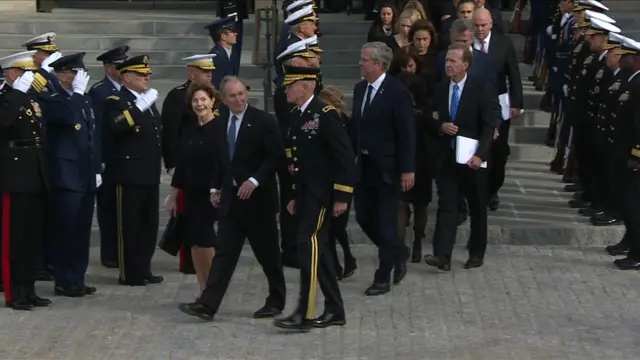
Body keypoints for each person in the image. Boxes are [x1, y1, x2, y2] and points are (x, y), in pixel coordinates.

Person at [178, 76, 286, 321]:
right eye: (232, 96)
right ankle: (208, 304)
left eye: (241, 93)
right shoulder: (221, 122)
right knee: (224, 254)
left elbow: (275, 157)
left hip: (259, 202)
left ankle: (276, 299)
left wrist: (254, 181)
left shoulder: (263, 121)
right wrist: (215, 189)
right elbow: (221, 160)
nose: (238, 99)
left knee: (268, 255)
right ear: (223, 100)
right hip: (232, 202)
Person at [274, 65, 355, 331]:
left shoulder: (325, 114)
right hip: (308, 193)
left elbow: (344, 158)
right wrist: (296, 193)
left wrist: (342, 196)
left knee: (307, 245)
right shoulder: (299, 114)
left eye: (290, 85)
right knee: (320, 253)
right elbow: (300, 161)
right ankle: (335, 308)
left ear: (306, 86)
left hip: (322, 194)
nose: (286, 89)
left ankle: (305, 313)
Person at [350, 42, 415, 296]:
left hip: (389, 168)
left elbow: (407, 133)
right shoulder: (359, 90)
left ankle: (383, 276)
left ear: (379, 64)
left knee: (387, 223)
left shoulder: (397, 92)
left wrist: (408, 169)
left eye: (364, 59)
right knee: (364, 217)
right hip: (364, 167)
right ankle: (398, 252)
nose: (360, 63)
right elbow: (356, 128)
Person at [424, 43, 494, 271]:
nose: (448, 65)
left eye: (453, 61)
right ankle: (442, 256)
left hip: (472, 158)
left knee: (477, 206)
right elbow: (428, 116)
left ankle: (477, 252)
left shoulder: (480, 88)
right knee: (447, 205)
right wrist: (440, 126)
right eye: (446, 61)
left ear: (465, 65)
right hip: (447, 157)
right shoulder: (440, 87)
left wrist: (480, 155)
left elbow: (488, 126)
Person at [39, 52, 100, 298]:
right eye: (74, 73)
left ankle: (77, 278)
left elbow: (92, 136)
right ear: (63, 75)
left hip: (85, 173)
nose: (78, 78)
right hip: (65, 174)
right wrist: (75, 95)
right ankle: (63, 280)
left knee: (82, 230)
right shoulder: (52, 99)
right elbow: (66, 118)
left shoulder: (83, 100)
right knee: (65, 229)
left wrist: (97, 167)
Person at [103, 55, 164, 286]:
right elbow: (117, 125)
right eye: (141, 74)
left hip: (149, 170)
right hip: (129, 172)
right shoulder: (116, 99)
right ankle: (129, 272)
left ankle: (144, 267)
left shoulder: (148, 99)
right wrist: (138, 107)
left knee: (148, 225)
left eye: (147, 74)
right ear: (127, 77)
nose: (147, 77)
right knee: (130, 225)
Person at [0, 51, 50, 310]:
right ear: (11, 74)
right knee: (13, 239)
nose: (30, 77)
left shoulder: (30, 98)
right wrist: (16, 94)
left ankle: (29, 289)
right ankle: (13, 292)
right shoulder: (6, 97)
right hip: (13, 175)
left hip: (34, 171)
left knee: (31, 237)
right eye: (24, 73)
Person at [161, 54, 216, 275]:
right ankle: (188, 261)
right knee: (188, 215)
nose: (209, 74)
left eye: (210, 71)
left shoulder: (212, 95)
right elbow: (171, 133)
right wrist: (173, 165)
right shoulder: (177, 97)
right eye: (204, 71)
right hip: (187, 166)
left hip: (209, 167)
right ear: (191, 73)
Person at [166, 82, 220, 298]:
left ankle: (212, 290)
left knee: (205, 241)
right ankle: (202, 289)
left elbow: (224, 164)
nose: (199, 104)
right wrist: (172, 197)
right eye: (195, 100)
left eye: (203, 99)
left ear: (212, 101)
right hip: (192, 194)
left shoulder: (220, 129)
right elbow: (182, 167)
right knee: (194, 244)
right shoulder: (190, 131)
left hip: (211, 194)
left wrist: (219, 190)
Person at [273, 38, 322, 268]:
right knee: (290, 201)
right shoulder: (287, 90)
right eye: (306, 59)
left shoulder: (307, 84)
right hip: (292, 154)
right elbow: (289, 127)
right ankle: (290, 249)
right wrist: (291, 157)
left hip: (307, 155)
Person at [473, 7, 523, 211]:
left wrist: (517, 102)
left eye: (483, 25)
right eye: (476, 26)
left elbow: (514, 74)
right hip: (474, 105)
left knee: (499, 150)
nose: (480, 29)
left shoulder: (504, 43)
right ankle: (477, 191)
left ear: (491, 24)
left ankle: (493, 189)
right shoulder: (468, 44)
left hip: (500, 103)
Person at [89, 45, 130, 270]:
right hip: (107, 157)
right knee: (107, 209)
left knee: (123, 208)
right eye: (117, 65)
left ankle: (122, 250)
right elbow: (98, 129)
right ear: (107, 67)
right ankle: (110, 253)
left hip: (123, 156)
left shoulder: (126, 88)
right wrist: (99, 159)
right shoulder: (99, 91)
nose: (121, 69)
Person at [317, 85, 358, 279]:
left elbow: (349, 154)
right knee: (331, 228)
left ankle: (347, 258)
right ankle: (336, 265)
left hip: (342, 181)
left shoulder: (345, 124)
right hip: (328, 180)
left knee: (336, 226)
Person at [612, 37, 640, 270]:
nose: (621, 60)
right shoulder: (632, 83)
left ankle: (638, 253)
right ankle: (632, 243)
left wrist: (637, 155)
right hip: (624, 152)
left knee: (634, 206)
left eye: (626, 56)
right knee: (628, 204)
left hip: (635, 158)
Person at [205, 17, 239, 89]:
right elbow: (217, 83)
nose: (236, 34)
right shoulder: (217, 56)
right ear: (223, 36)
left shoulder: (227, 54)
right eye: (232, 32)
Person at [216, 0, 248, 76]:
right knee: (228, 45)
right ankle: (230, 76)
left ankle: (232, 76)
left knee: (233, 46)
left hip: (233, 9)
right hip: (228, 9)